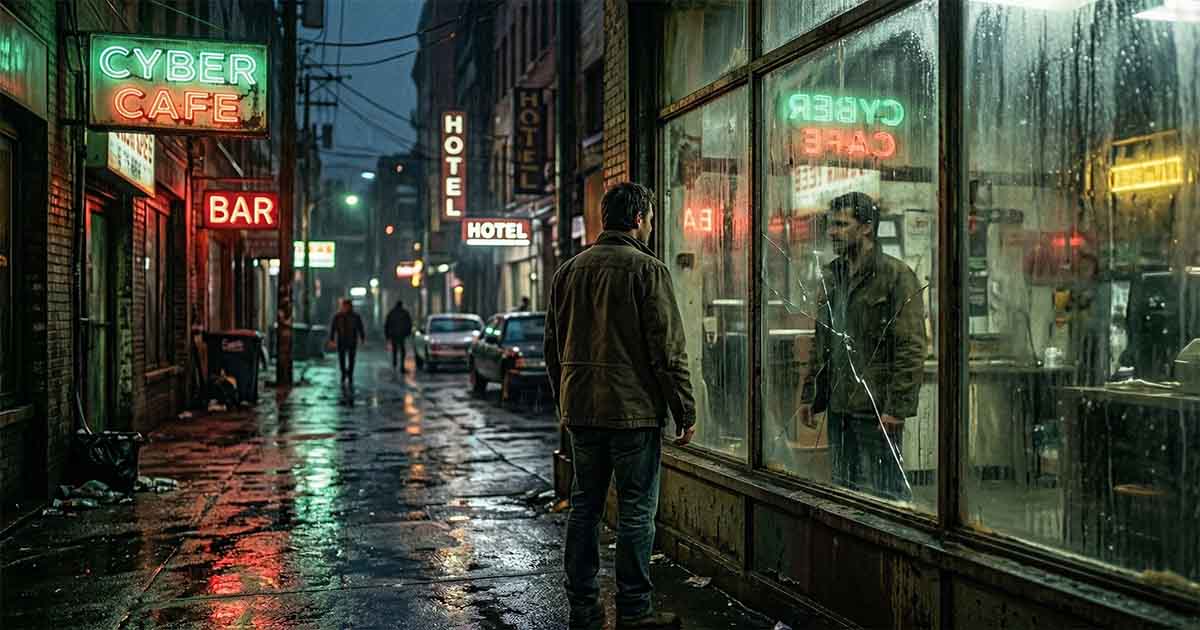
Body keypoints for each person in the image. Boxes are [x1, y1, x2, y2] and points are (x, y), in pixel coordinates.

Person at [545, 182, 695, 630]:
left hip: (582, 411)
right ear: (640, 219)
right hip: (633, 414)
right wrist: (685, 410)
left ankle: (583, 606)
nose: (650, 226)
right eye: (650, 219)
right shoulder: (647, 270)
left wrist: (565, 400)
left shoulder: (568, 271)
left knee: (584, 507)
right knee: (635, 511)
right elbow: (667, 351)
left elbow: (552, 348)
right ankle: (634, 610)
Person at [800, 192, 926, 502]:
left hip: (876, 410)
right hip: (840, 406)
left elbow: (910, 347)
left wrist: (897, 408)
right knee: (844, 494)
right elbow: (823, 341)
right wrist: (811, 395)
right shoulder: (834, 276)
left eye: (842, 225)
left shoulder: (896, 277)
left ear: (867, 228)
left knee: (888, 496)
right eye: (831, 225)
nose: (832, 232)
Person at [328, 298, 366, 388]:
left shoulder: (355, 316)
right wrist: (332, 339)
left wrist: (362, 338)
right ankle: (344, 373)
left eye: (346, 306)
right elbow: (333, 328)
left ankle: (350, 374)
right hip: (341, 340)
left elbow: (360, 327)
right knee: (342, 358)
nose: (345, 308)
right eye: (344, 306)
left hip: (352, 340)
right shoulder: (338, 317)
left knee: (351, 359)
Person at [384, 300, 414, 373]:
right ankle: (401, 366)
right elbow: (409, 323)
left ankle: (395, 363)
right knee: (402, 350)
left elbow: (387, 324)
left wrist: (387, 335)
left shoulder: (391, 313)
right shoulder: (404, 313)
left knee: (395, 350)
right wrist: (408, 333)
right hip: (401, 335)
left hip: (393, 335)